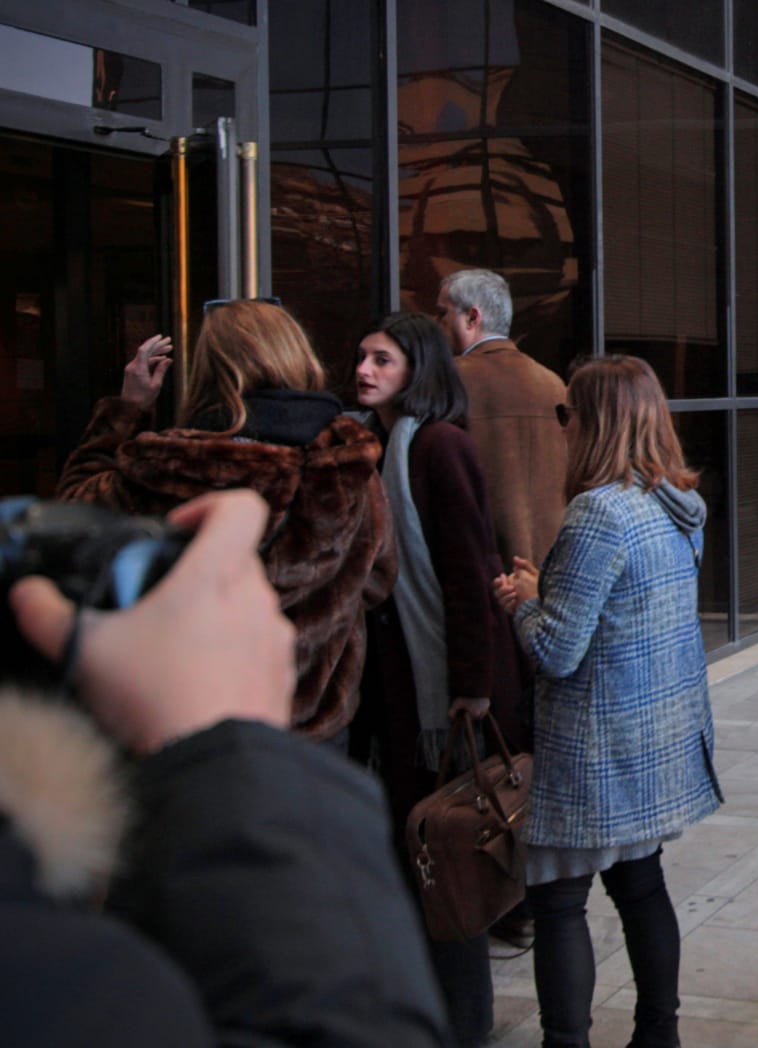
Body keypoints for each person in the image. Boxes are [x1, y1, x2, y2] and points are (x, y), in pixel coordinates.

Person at [1, 489, 448, 1046]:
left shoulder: (148, 456)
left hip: (165, 714)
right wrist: (234, 742)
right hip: (266, 722)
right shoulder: (88, 978)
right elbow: (381, 577)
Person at [493, 354, 720, 1048]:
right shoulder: (678, 503)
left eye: (568, 414)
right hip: (654, 734)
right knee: (640, 885)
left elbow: (557, 651)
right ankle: (659, 1034)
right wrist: (551, 593)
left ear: (594, 423)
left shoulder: (599, 511)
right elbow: (625, 612)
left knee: (559, 902)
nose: (562, 426)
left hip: (596, 746)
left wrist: (525, 601)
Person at [55, 299, 394, 743]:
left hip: (190, 722)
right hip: (312, 724)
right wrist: (319, 612)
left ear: (209, 372)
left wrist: (126, 409)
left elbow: (76, 517)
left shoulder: (170, 464)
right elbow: (378, 578)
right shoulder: (349, 464)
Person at [351, 311, 530, 1048]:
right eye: (361, 357)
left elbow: (468, 571)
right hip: (403, 688)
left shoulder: (437, 446)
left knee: (445, 854)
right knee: (414, 847)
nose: (363, 369)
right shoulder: (384, 446)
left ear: (416, 369)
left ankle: (461, 1020)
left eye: (382, 360)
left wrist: (473, 683)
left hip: (447, 692)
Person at [436, 268, 568, 570]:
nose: (437, 324)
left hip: (482, 569)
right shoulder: (553, 383)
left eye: (441, 313)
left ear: (472, 317)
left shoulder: (448, 382)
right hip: (550, 568)